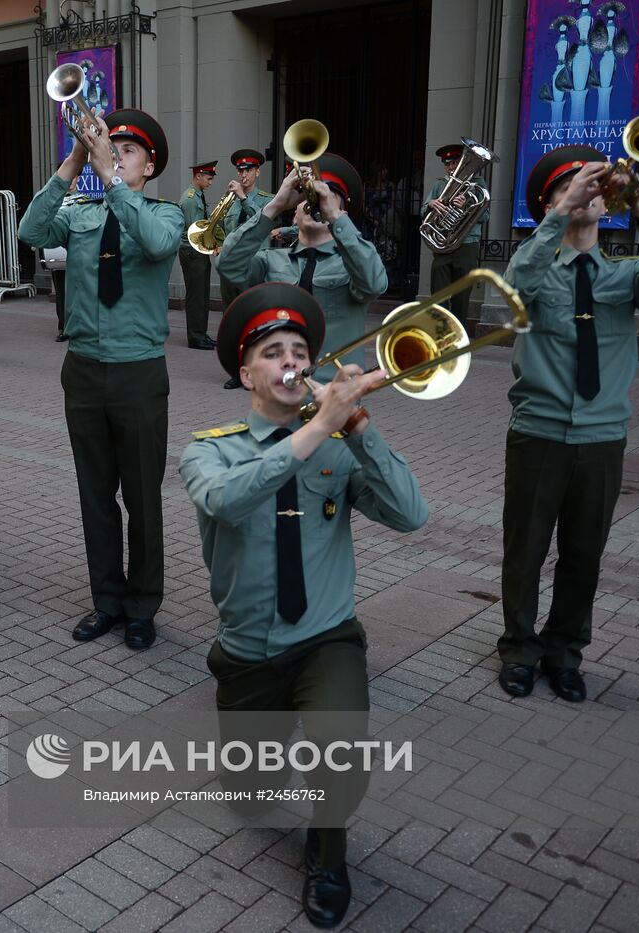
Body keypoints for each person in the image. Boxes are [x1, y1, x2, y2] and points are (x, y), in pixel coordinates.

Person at [180, 283, 427, 929]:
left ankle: (328, 853)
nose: (291, 361)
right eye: (272, 352)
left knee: (339, 752)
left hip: (325, 637)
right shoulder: (209, 448)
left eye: (300, 351)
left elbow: (411, 514)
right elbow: (226, 500)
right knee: (251, 801)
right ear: (245, 373)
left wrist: (360, 428)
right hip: (247, 651)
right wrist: (317, 428)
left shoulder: (341, 448)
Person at [496, 146, 639, 702]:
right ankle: (518, 647)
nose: (582, 195)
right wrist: (562, 211)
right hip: (538, 433)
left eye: (588, 190)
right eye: (567, 189)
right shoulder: (534, 269)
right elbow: (513, 287)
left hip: (602, 439)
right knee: (526, 550)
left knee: (584, 554)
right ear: (548, 204)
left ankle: (564, 652)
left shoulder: (626, 276)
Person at [19, 108, 181, 649]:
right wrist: (72, 162)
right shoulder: (81, 211)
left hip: (138, 370)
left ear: (149, 163)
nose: (115, 155)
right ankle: (106, 601)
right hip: (84, 368)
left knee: (142, 495)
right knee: (95, 495)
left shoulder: (163, 213)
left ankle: (142, 605)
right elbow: (30, 231)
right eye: (112, 148)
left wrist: (111, 178)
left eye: (128, 150)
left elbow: (157, 246)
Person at [215, 153, 386, 391]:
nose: (315, 204)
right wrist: (274, 206)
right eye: (308, 198)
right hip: (277, 396)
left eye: (328, 199)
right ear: (295, 215)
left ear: (343, 215)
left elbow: (374, 283)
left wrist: (334, 217)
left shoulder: (353, 263)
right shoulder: (270, 261)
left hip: (335, 396)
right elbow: (227, 264)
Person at [425, 143, 487, 327]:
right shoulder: (440, 185)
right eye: (448, 164)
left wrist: (467, 206)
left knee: (462, 295)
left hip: (467, 244)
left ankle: (459, 335)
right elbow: (423, 210)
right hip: (443, 244)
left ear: (462, 162)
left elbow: (485, 216)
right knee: (439, 294)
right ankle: (440, 331)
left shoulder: (478, 184)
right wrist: (431, 205)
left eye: (455, 163)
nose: (452, 167)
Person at [218, 149, 274, 309]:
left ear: (257, 172)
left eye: (248, 170)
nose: (243, 175)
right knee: (229, 311)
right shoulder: (229, 199)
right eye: (240, 171)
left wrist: (243, 197)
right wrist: (217, 244)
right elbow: (220, 227)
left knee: (252, 310)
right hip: (230, 262)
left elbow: (265, 221)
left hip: (253, 264)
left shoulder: (268, 200)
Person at [178, 160, 218, 350]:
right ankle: (195, 337)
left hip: (199, 250)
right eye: (208, 178)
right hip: (192, 251)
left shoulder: (198, 196)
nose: (210, 182)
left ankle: (201, 333)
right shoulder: (191, 198)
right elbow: (195, 231)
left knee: (202, 294)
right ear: (198, 176)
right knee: (196, 295)